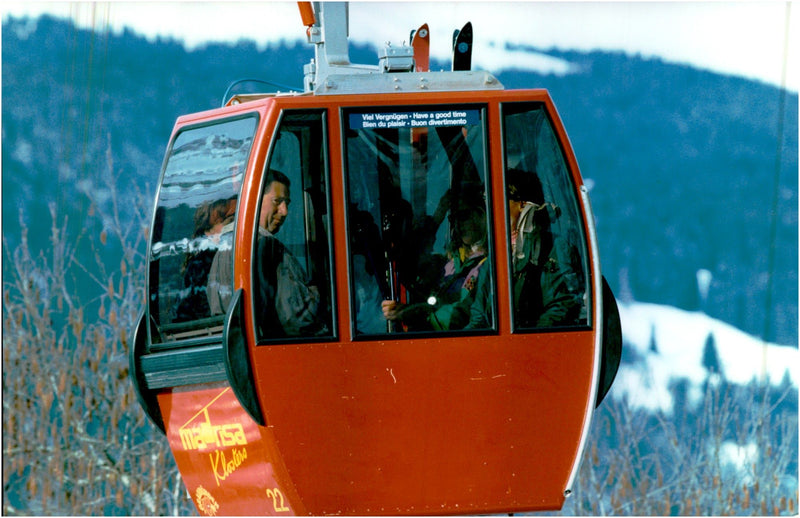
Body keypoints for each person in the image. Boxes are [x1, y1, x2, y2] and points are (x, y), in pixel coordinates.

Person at [472, 168, 579, 328]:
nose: (491, 207)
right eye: (488, 199)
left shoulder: (553, 247)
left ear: (523, 204)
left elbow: (561, 306)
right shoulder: (496, 253)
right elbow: (478, 314)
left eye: (498, 198)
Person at [381, 197, 489, 332]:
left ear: (482, 217)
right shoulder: (450, 263)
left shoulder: (486, 266)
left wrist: (412, 314)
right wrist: (438, 216)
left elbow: (460, 314)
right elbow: (416, 254)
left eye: (464, 217)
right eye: (453, 219)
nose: (458, 224)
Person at [254, 169, 329, 338]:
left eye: (287, 203)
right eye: (277, 201)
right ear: (256, 199)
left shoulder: (224, 247)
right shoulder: (270, 248)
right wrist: (319, 296)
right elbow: (298, 318)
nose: (284, 211)